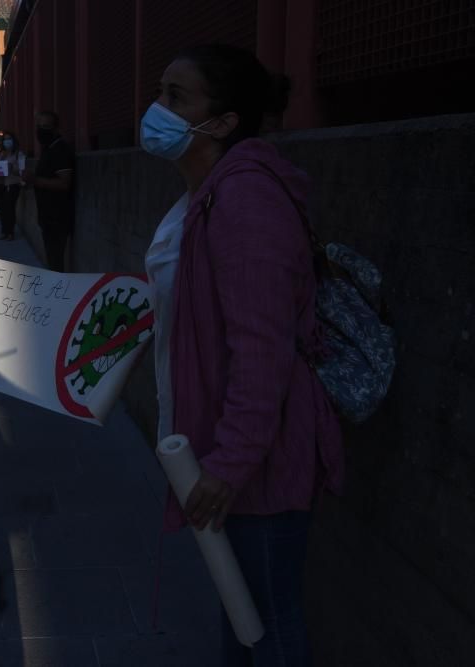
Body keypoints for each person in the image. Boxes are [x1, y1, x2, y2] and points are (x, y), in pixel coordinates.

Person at [141, 44, 344, 666]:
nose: (158, 109)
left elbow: (262, 352)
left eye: (177, 97)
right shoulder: (207, 193)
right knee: (243, 613)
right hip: (226, 450)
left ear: (224, 122)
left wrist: (228, 466)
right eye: (161, 92)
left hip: (257, 463)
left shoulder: (247, 199)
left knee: (267, 622)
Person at [21, 111, 74, 271]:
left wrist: (35, 180)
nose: (41, 130)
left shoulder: (60, 150)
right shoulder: (48, 149)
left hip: (58, 216)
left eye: (46, 126)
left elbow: (64, 183)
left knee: (56, 262)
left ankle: (58, 293)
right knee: (51, 259)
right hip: (47, 215)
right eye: (39, 126)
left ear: (55, 128)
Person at [0, 130, 25, 241]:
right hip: (0, 184)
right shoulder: (0, 153)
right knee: (2, 209)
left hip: (13, 184)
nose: (7, 141)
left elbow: (21, 171)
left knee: (10, 208)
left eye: (9, 139)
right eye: (5, 139)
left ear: (13, 140)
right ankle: (4, 231)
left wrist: (12, 169)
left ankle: (10, 232)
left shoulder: (19, 153)